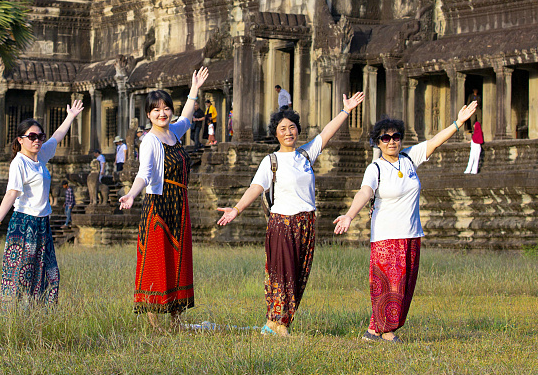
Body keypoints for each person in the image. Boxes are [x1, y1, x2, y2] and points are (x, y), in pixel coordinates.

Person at [217, 91, 366, 336]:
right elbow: (256, 187)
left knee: (298, 275)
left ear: (298, 130)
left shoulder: (306, 155)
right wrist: (236, 209)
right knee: (281, 274)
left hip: (306, 223)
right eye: (283, 129)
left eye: (292, 128)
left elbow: (327, 133)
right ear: (276, 133)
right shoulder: (271, 161)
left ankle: (276, 322)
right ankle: (279, 322)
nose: (288, 133)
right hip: (282, 223)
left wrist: (346, 111)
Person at [334, 100, 478, 343]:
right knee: (389, 286)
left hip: (411, 233)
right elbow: (365, 192)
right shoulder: (375, 168)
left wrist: (458, 123)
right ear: (377, 143)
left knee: (405, 286)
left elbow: (435, 142)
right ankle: (386, 331)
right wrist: (350, 214)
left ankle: (374, 331)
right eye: (385, 138)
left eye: (396, 137)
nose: (391, 141)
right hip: (386, 236)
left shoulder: (409, 159)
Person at [119, 67, 209, 330]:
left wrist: (194, 89)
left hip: (179, 204)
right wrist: (132, 194)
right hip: (159, 206)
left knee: (178, 259)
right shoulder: (150, 141)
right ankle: (155, 323)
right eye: (156, 110)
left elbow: (187, 117)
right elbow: (144, 174)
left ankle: (176, 320)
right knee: (157, 261)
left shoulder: (174, 132)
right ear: (148, 115)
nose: (162, 113)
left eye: (166, 108)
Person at [0, 100, 84, 307]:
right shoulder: (19, 162)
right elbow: (12, 193)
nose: (37, 140)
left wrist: (70, 116)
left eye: (39, 136)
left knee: (50, 273)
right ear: (20, 140)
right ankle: (14, 315)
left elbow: (57, 137)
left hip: (42, 223)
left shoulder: (40, 157)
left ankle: (41, 315)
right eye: (32, 137)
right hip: (25, 223)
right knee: (22, 274)